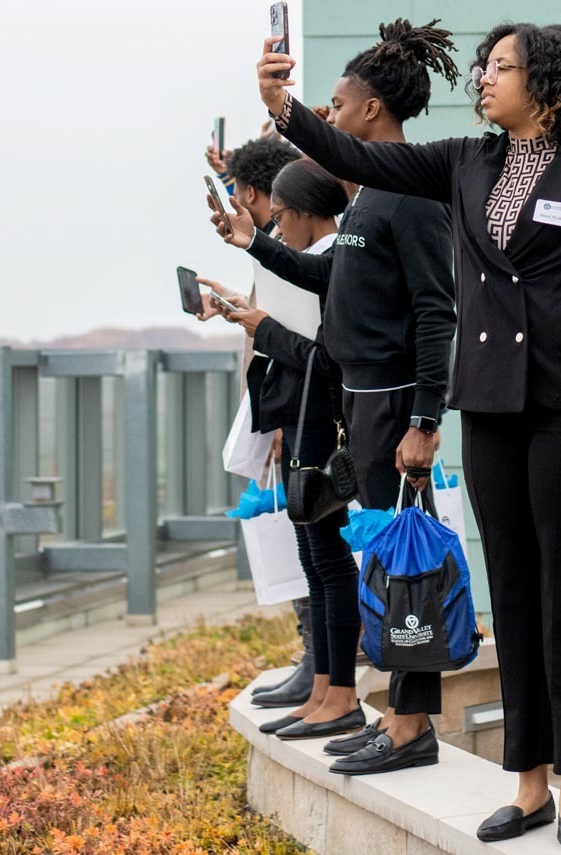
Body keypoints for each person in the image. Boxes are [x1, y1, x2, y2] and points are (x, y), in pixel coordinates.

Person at [258, 19, 561, 847]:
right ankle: (530, 782)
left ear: (544, 81)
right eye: (483, 66)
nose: (483, 77)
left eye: (502, 67)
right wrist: (283, 108)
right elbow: (361, 159)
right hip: (491, 408)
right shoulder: (465, 160)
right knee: (511, 589)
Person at [207, 18, 460, 775]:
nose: (332, 112)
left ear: (373, 110)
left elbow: (435, 309)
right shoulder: (367, 200)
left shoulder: (408, 192)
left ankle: (411, 724)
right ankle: (392, 713)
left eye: (339, 102)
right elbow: (333, 281)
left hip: (392, 406)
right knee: (377, 557)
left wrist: (424, 419)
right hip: (358, 405)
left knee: (401, 562)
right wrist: (252, 242)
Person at [201, 160, 367, 742]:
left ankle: (339, 692)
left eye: (280, 218)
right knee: (314, 560)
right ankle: (323, 686)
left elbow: (330, 358)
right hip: (298, 424)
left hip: (323, 425)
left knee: (330, 561)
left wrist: (262, 328)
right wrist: (249, 314)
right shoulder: (308, 261)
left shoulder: (334, 265)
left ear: (297, 214)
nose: (278, 231)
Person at [212, 135, 318, 710]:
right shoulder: (279, 246)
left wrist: (276, 420)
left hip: (296, 413)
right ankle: (315, 658)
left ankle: (320, 659)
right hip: (286, 409)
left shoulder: (288, 250)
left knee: (309, 541)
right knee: (304, 539)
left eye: (238, 193)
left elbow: (294, 338)